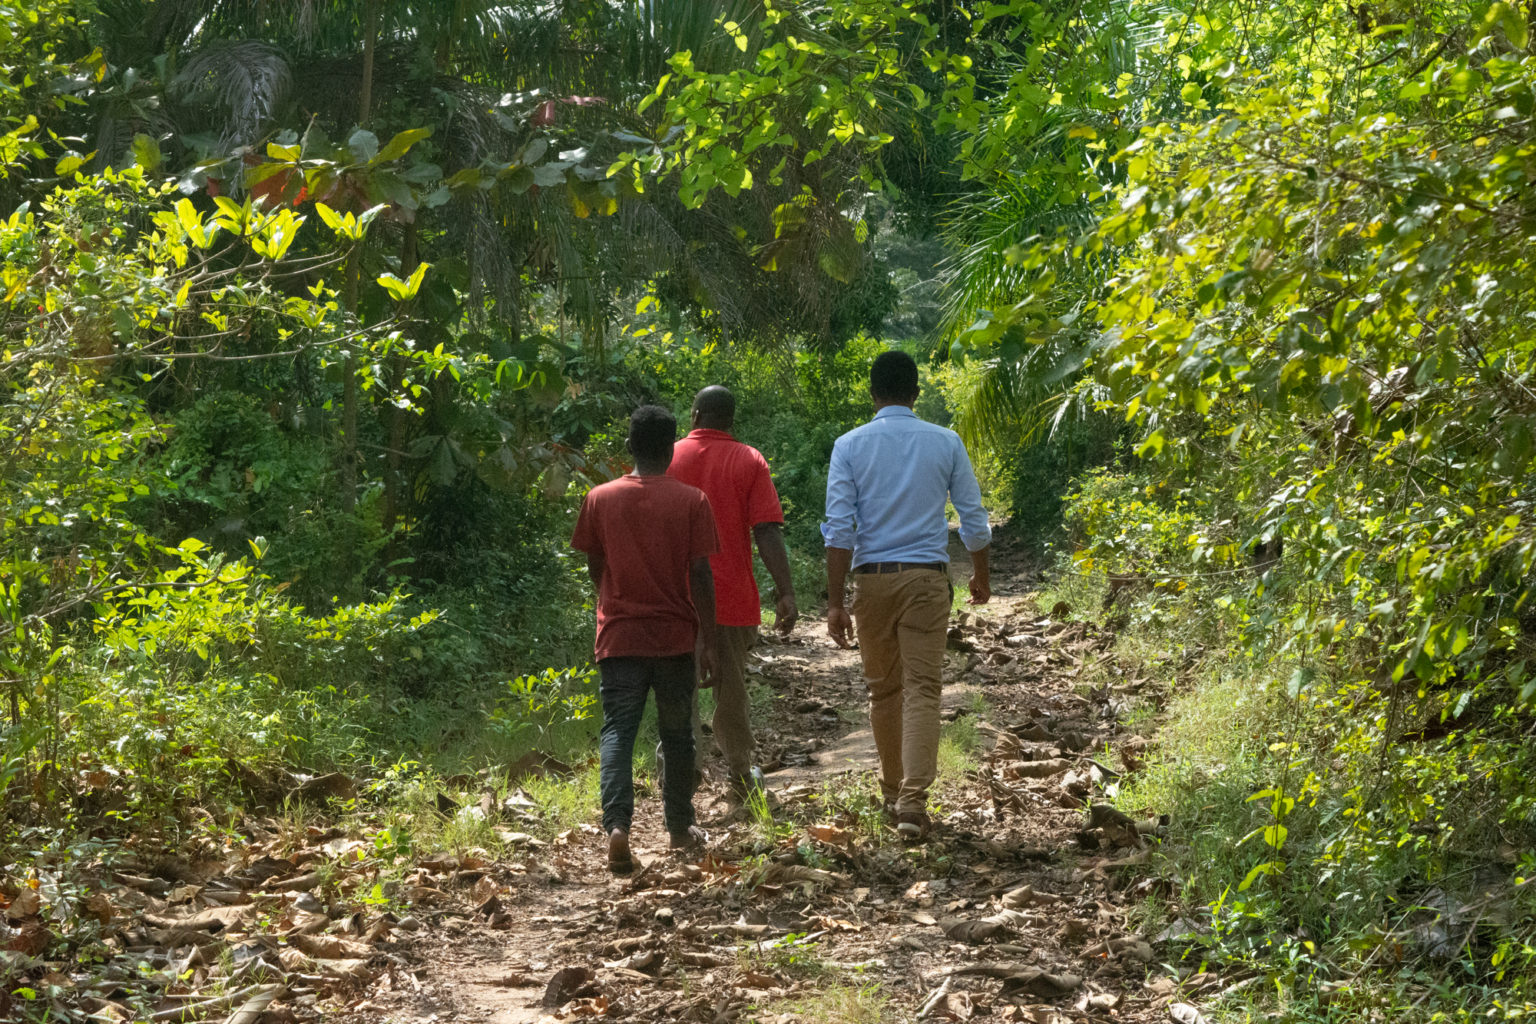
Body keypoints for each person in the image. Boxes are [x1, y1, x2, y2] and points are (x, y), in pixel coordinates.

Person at [822, 351, 991, 841]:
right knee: (923, 688)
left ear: (872, 394)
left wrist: (836, 601)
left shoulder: (849, 445)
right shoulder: (945, 441)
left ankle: (894, 791)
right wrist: (980, 574)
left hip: (871, 580)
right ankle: (912, 802)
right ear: (916, 393)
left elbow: (839, 529)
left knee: (883, 689)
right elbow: (972, 517)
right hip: (925, 580)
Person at [571, 405, 720, 872]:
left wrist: (612, 599)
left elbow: (596, 564)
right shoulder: (692, 500)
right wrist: (709, 639)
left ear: (630, 446)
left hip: (619, 636)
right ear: (670, 449)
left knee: (618, 731)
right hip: (675, 637)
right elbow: (700, 573)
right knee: (677, 736)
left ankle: (617, 826)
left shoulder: (600, 498)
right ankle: (679, 827)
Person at [667, 385, 798, 801]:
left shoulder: (666, 457)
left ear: (695, 414)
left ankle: (678, 771)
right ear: (731, 420)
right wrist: (786, 591)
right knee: (731, 691)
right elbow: (766, 531)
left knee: (678, 689)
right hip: (731, 597)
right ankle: (741, 773)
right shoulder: (749, 459)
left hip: (673, 599)